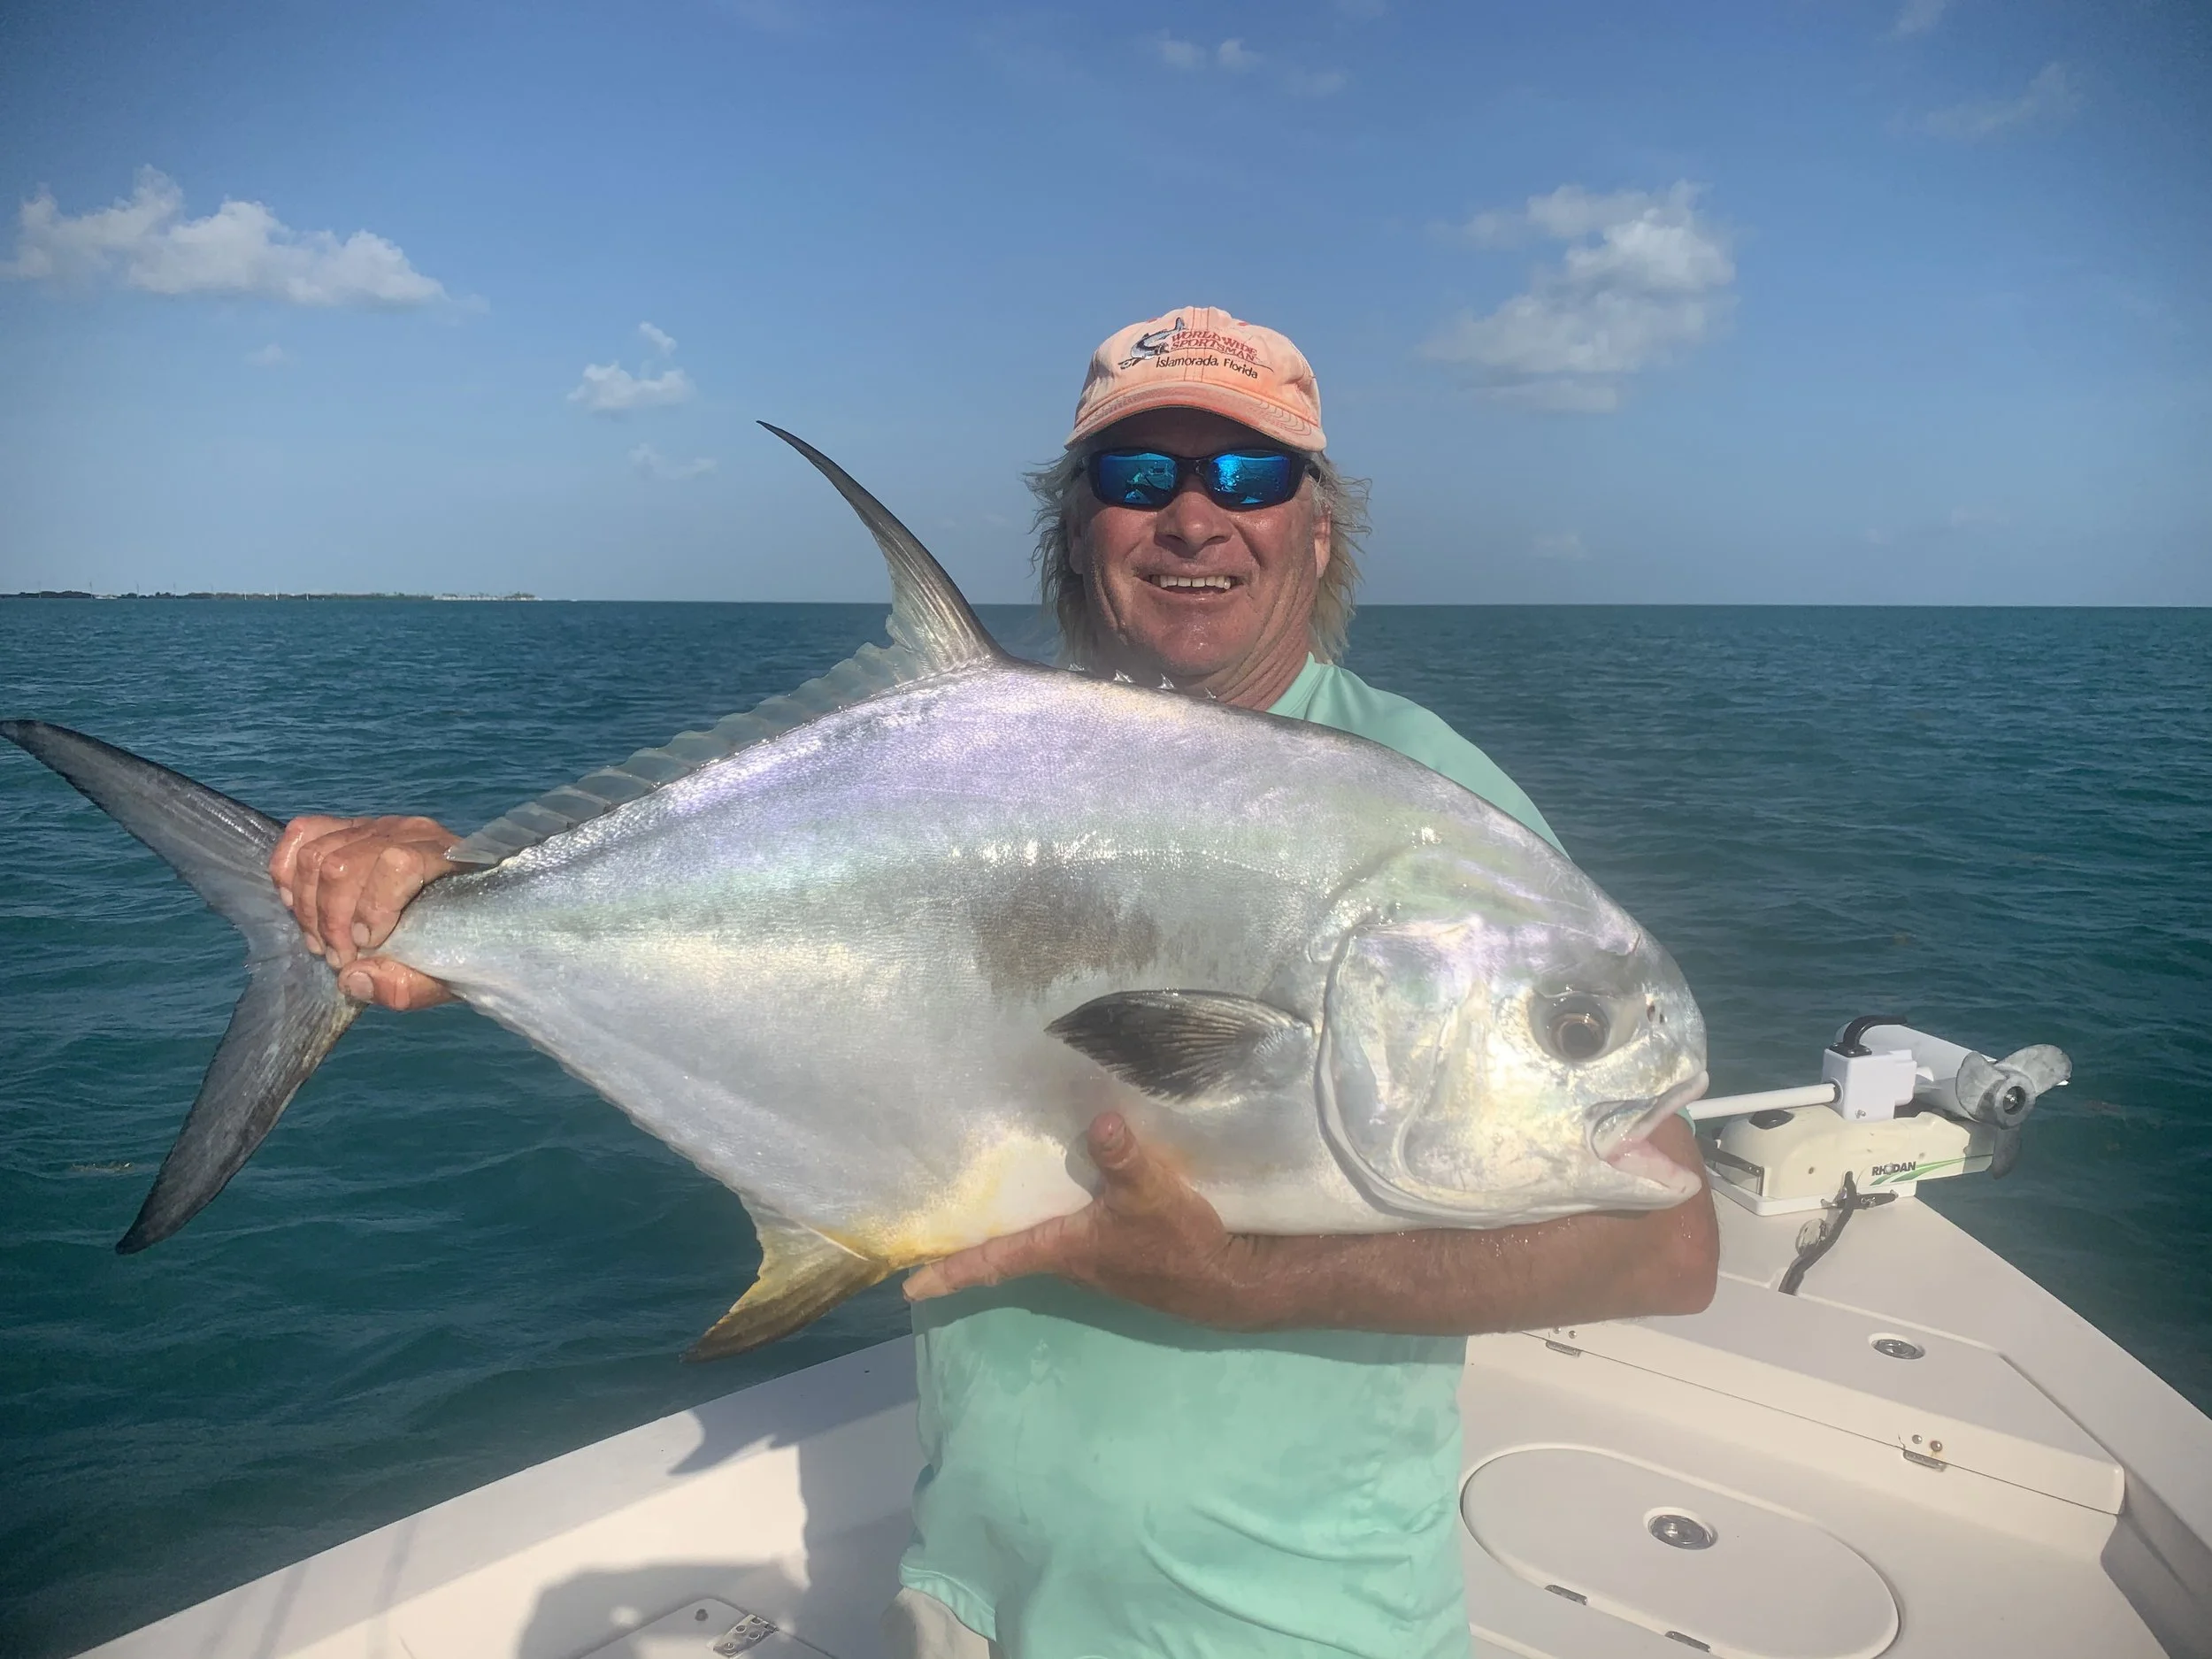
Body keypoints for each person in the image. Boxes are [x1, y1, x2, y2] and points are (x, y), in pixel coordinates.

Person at [272, 307, 1718, 1659]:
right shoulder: (955, 758)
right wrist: (459, 904)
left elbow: (1672, 1247)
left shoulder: (1431, 813)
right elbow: (812, 956)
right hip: (969, 1596)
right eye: (1140, 471)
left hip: (1301, 1616)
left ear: (1317, 529)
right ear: (1074, 526)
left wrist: (1238, 1279)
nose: (1196, 512)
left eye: (1252, 472)